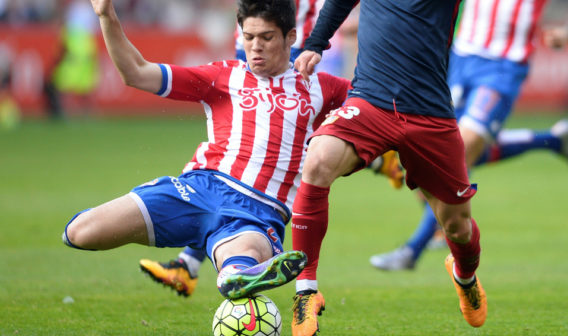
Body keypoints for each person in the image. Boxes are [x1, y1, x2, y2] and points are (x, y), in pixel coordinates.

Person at [63, 0, 355, 301]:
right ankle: (227, 269)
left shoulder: (323, 88)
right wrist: (107, 15)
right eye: (248, 36)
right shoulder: (223, 75)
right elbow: (136, 73)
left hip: (257, 212)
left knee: (239, 264)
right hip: (195, 190)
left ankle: (239, 274)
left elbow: (374, 104)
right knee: (79, 232)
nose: (255, 47)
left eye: (266, 38)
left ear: (291, 37)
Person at [137, 0, 404, 298]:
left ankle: (380, 158)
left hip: (295, 57)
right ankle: (189, 264)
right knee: (233, 160)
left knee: (280, 153)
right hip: (259, 52)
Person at [288, 0, 487, 333]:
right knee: (318, 159)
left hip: (430, 113)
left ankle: (464, 276)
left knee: (458, 228)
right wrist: (316, 43)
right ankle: (306, 291)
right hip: (370, 101)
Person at [370, 0, 568, 272]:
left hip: (503, 67)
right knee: (437, 148)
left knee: (463, 149)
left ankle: (411, 251)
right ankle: (554, 141)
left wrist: (567, 33)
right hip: (461, 60)